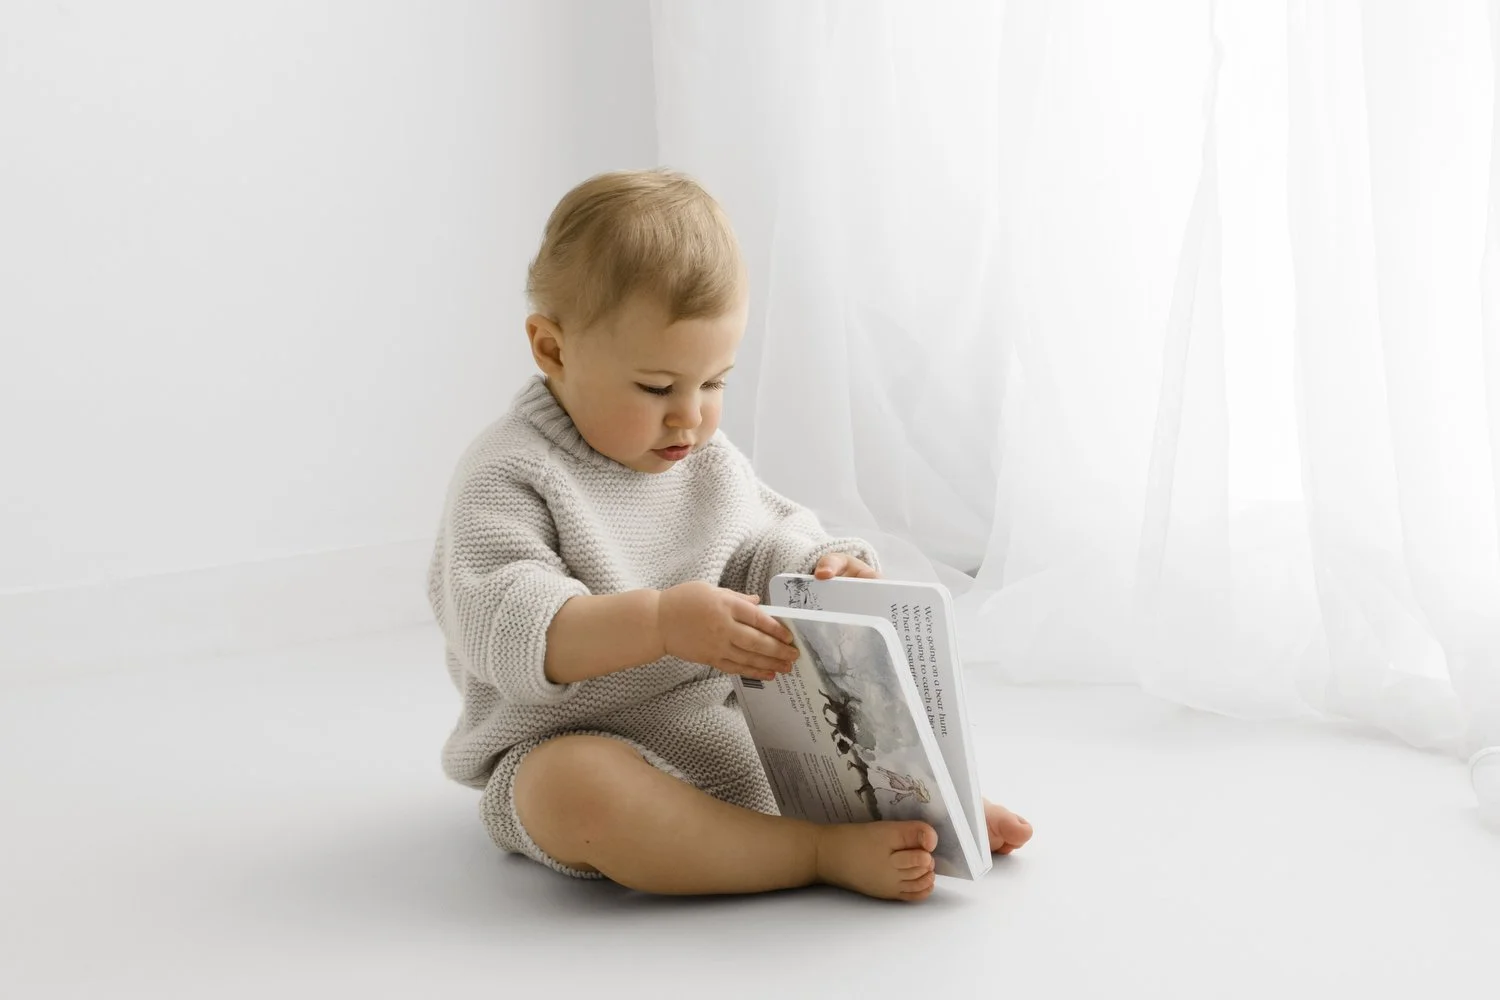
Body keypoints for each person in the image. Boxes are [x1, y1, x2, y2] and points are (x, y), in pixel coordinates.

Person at [428, 169, 1032, 902]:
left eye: (714, 383)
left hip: (727, 733)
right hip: (574, 745)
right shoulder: (509, 476)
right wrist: (659, 622)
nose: (690, 418)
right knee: (574, 792)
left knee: (837, 708)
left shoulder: (704, 462)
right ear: (553, 350)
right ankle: (813, 852)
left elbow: (761, 544)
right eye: (657, 388)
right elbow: (510, 629)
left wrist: (821, 568)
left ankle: (935, 819)